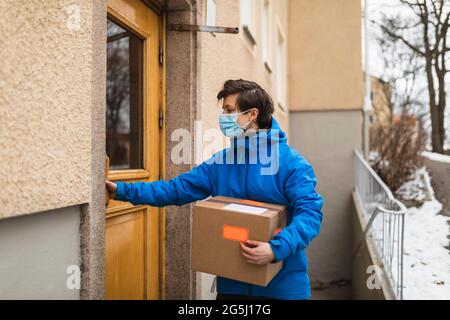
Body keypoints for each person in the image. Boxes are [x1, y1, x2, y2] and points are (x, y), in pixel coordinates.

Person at [105, 79, 324, 300]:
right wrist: (121, 190)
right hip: (232, 288)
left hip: (283, 290)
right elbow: (174, 189)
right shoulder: (220, 163)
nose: (223, 118)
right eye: (223, 111)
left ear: (252, 115)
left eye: (229, 110)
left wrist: (275, 249)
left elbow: (310, 214)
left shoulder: (292, 164)